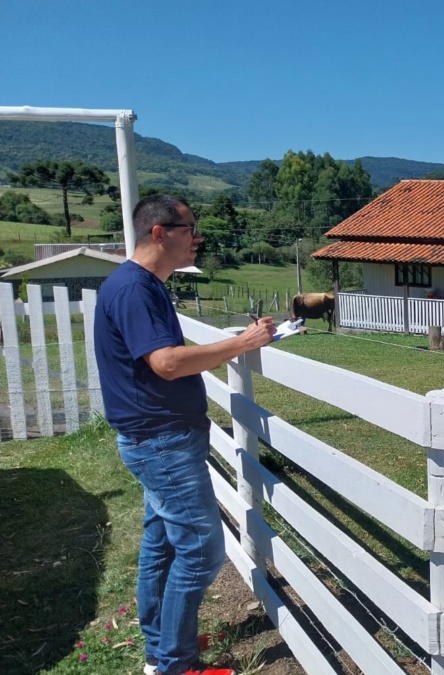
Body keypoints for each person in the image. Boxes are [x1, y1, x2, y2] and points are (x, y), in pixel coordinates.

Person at [94, 194, 276, 675]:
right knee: (200, 550)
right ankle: (176, 663)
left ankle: (163, 647)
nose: (198, 237)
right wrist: (240, 343)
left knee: (162, 545)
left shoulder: (139, 284)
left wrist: (239, 342)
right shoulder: (135, 289)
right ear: (159, 233)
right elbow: (167, 363)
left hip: (156, 438)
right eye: (190, 229)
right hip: (162, 441)